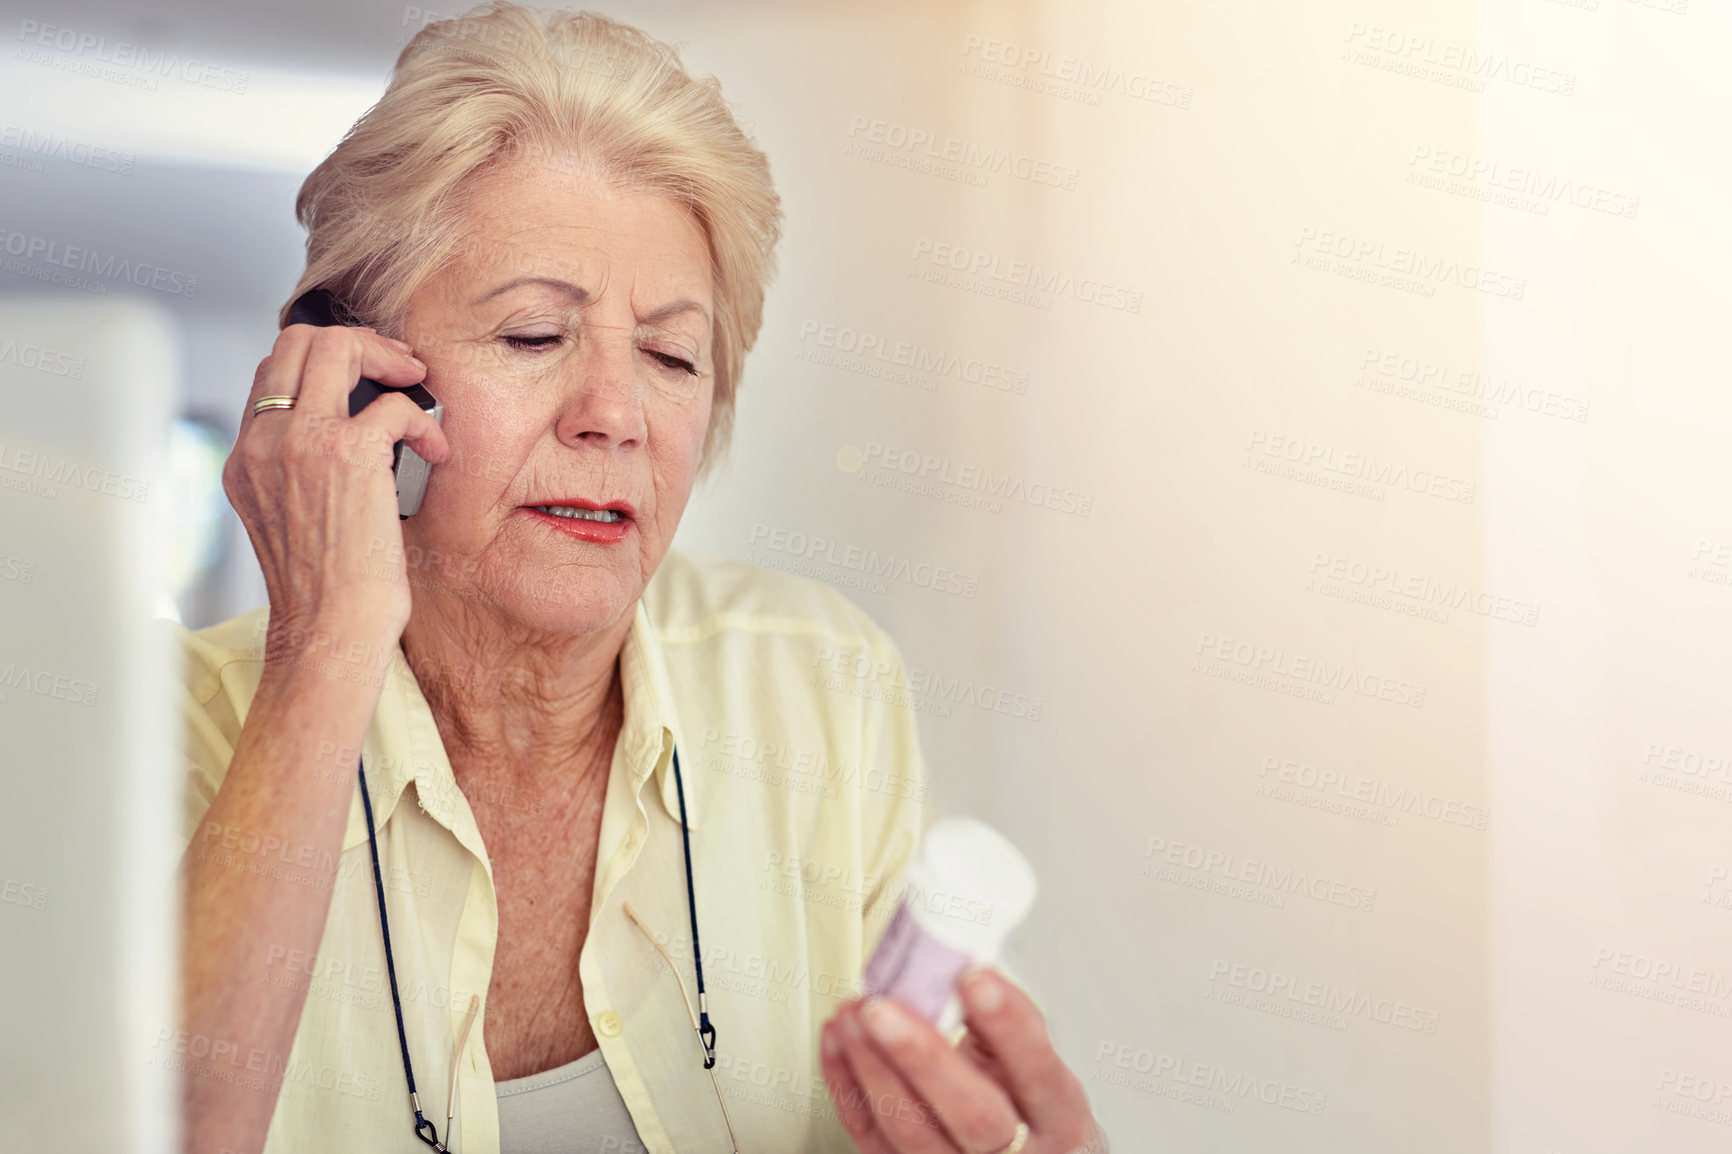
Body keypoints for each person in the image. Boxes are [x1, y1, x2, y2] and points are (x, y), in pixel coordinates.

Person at [173, 5, 1102, 1151]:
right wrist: (324, 642)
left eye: (670, 355)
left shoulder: (813, 684)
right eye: (530, 335)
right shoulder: (144, 730)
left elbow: (966, 1098)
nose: (615, 416)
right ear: (357, 384)